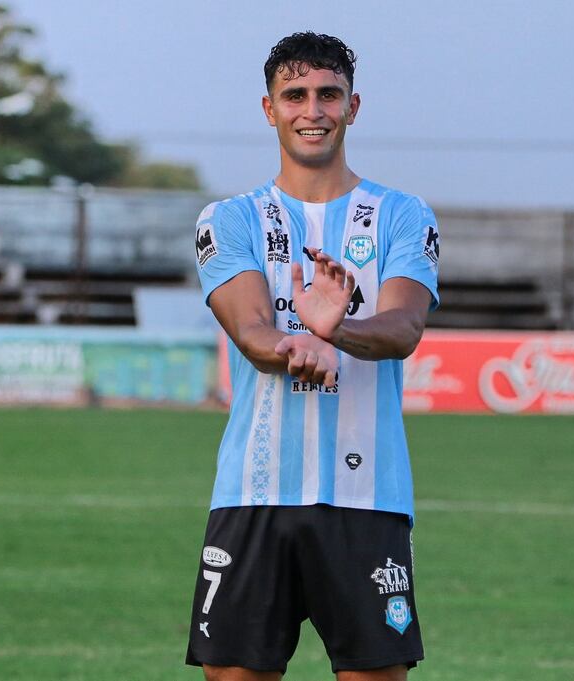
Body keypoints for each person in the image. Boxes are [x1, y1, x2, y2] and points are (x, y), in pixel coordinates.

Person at [187, 31, 440, 681]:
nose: (313, 110)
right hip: (253, 493)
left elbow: (404, 325)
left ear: (353, 106)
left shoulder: (402, 215)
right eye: (294, 95)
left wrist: (339, 328)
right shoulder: (231, 218)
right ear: (269, 109)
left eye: (329, 94)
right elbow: (250, 329)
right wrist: (300, 339)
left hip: (368, 496)